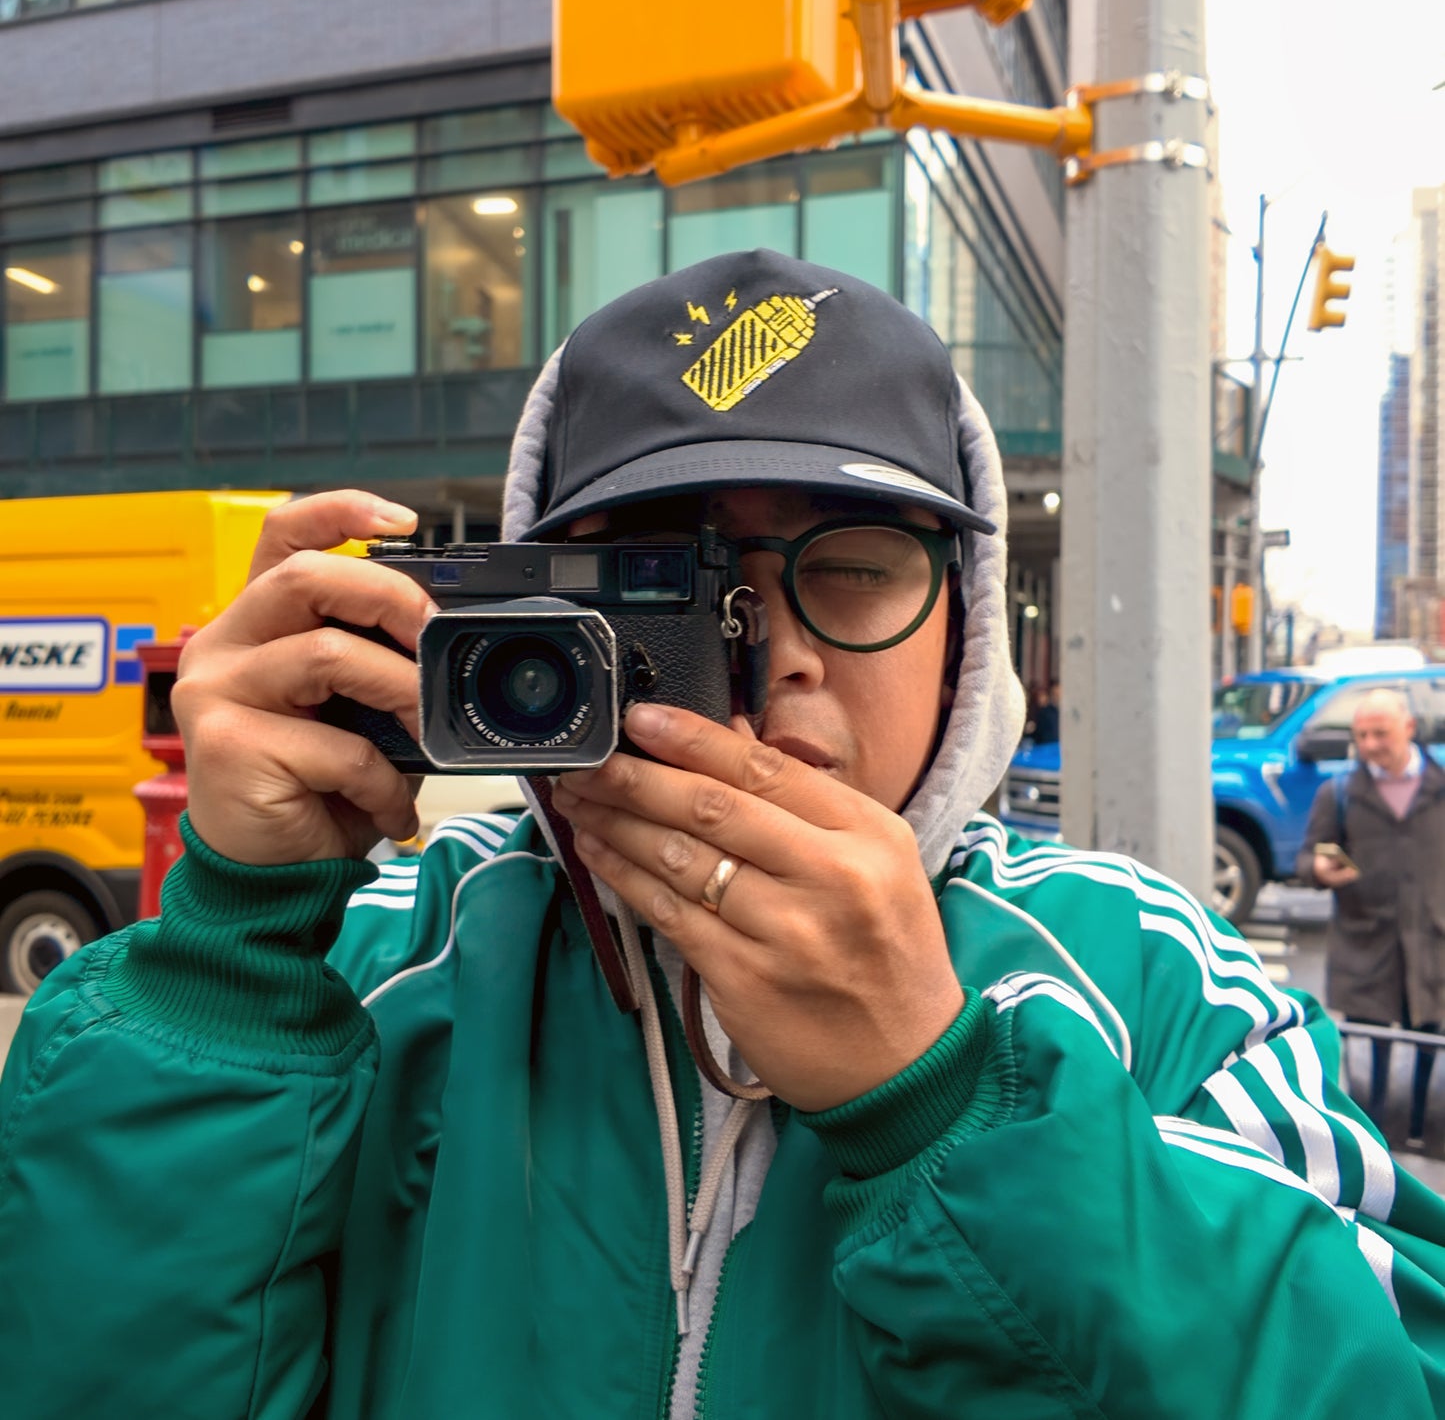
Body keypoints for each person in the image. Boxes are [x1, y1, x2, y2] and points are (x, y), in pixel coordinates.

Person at [3, 250, 1445, 1419]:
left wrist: (947, 1106)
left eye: (857, 566)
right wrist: (232, 956)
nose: (772, 660)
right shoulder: (366, 980)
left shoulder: (1163, 987)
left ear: (967, 622)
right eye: (662, 591)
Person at [1299, 687, 1445, 1149]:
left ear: (1409, 728)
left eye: (1379, 733)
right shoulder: (1339, 792)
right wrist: (1319, 870)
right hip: (1368, 941)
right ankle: (1375, 1136)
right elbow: (1308, 858)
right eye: (1361, 735)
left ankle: (1424, 1126)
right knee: (1371, 1039)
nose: (1369, 745)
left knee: (1430, 1032)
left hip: (1434, 940)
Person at [1029, 677, 1061, 745]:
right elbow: (1040, 734)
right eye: (1056, 695)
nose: (1058, 697)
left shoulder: (1064, 713)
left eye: (1059, 695)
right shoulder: (1044, 713)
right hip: (1047, 748)